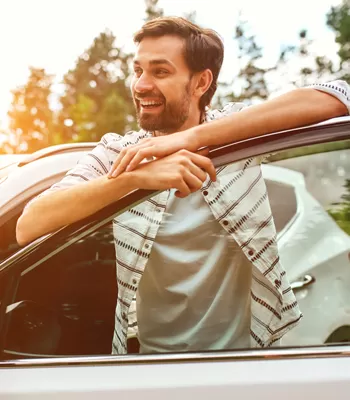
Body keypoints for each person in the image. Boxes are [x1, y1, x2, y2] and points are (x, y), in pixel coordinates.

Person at [16, 17, 350, 355]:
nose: (141, 85)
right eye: (138, 71)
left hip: (246, 362)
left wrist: (189, 140)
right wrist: (136, 179)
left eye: (160, 72)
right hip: (156, 365)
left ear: (201, 82)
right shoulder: (119, 153)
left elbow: (338, 97)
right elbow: (30, 223)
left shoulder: (233, 135)